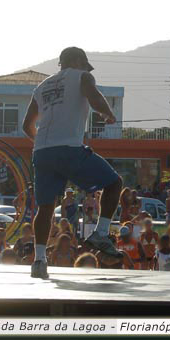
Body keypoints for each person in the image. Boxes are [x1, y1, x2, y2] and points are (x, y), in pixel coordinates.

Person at [22, 47, 124, 279]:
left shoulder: (42, 86)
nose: (86, 69)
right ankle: (101, 233)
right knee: (114, 183)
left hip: (42, 152)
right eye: (84, 65)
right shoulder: (83, 76)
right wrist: (108, 114)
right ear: (78, 60)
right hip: (69, 149)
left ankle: (39, 261)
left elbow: (27, 126)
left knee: (45, 207)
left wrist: (44, 144)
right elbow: (95, 97)